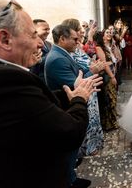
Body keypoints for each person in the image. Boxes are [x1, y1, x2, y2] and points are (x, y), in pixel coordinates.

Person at [0, 0, 101, 188]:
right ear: (5, 39)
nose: (41, 44)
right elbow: (69, 133)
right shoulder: (7, 80)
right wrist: (79, 98)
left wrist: (65, 96)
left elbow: (33, 108)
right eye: (34, 35)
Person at [45, 24, 99, 188]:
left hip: (69, 105)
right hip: (66, 106)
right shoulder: (57, 59)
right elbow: (76, 85)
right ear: (62, 39)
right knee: (67, 149)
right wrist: (92, 71)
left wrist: (89, 69)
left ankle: (71, 175)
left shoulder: (63, 54)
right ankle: (70, 181)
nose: (78, 42)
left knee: (71, 152)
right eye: (74, 39)